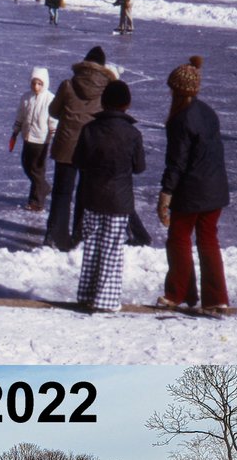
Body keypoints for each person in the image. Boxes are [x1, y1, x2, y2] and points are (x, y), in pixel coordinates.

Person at [157, 56, 230, 316]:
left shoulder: (180, 120)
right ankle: (216, 299)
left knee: (178, 238)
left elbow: (177, 162)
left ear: (177, 91)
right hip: (216, 188)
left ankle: (177, 293)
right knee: (208, 240)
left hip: (192, 190)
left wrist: (166, 194)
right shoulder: (208, 112)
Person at [74, 80, 145, 313]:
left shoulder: (89, 129)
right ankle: (105, 299)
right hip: (119, 199)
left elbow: (78, 161)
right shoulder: (133, 134)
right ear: (127, 104)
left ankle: (86, 294)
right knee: (112, 247)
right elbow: (139, 167)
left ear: (103, 103)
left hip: (92, 197)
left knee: (92, 244)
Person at [43, 47, 115, 250]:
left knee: (61, 193)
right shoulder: (107, 88)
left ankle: (54, 236)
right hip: (92, 148)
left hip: (66, 144)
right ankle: (79, 236)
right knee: (85, 194)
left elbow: (53, 111)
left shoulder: (68, 84)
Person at [10, 66, 57, 213]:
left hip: (42, 140)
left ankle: (37, 201)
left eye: (40, 83)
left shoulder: (50, 99)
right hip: (27, 137)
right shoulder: (26, 97)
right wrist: (15, 131)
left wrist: (54, 137)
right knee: (27, 165)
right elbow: (21, 115)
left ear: (45, 83)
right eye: (34, 83)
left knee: (37, 170)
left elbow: (53, 120)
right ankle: (43, 188)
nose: (36, 86)